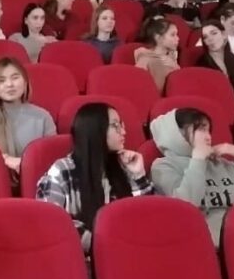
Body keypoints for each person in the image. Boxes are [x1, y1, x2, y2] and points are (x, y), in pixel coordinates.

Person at [36, 102, 153, 251]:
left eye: (121, 125)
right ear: (94, 130)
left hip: (128, 252)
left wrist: (138, 175)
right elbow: (51, 222)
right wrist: (104, 245)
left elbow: (147, 217)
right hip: (82, 257)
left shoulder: (124, 165)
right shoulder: (62, 171)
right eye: (115, 125)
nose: (123, 132)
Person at [150, 107, 234, 245]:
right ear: (178, 133)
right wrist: (198, 160)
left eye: (209, 130)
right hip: (202, 242)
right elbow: (186, 206)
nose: (208, 136)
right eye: (201, 129)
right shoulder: (163, 166)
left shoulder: (223, 164)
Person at [0, 58, 56, 176]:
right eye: (1, 80)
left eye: (15, 78)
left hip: (36, 180)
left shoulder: (43, 116)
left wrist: (26, 164)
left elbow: (52, 159)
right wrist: (7, 160)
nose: (9, 84)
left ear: (25, 81)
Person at [195, 20, 234, 93]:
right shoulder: (201, 65)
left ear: (224, 35)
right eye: (205, 37)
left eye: (214, 33)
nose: (210, 39)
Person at [135, 16, 180, 90]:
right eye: (172, 35)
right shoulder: (145, 60)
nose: (178, 38)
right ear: (158, 38)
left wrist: (175, 66)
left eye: (177, 34)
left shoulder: (171, 57)